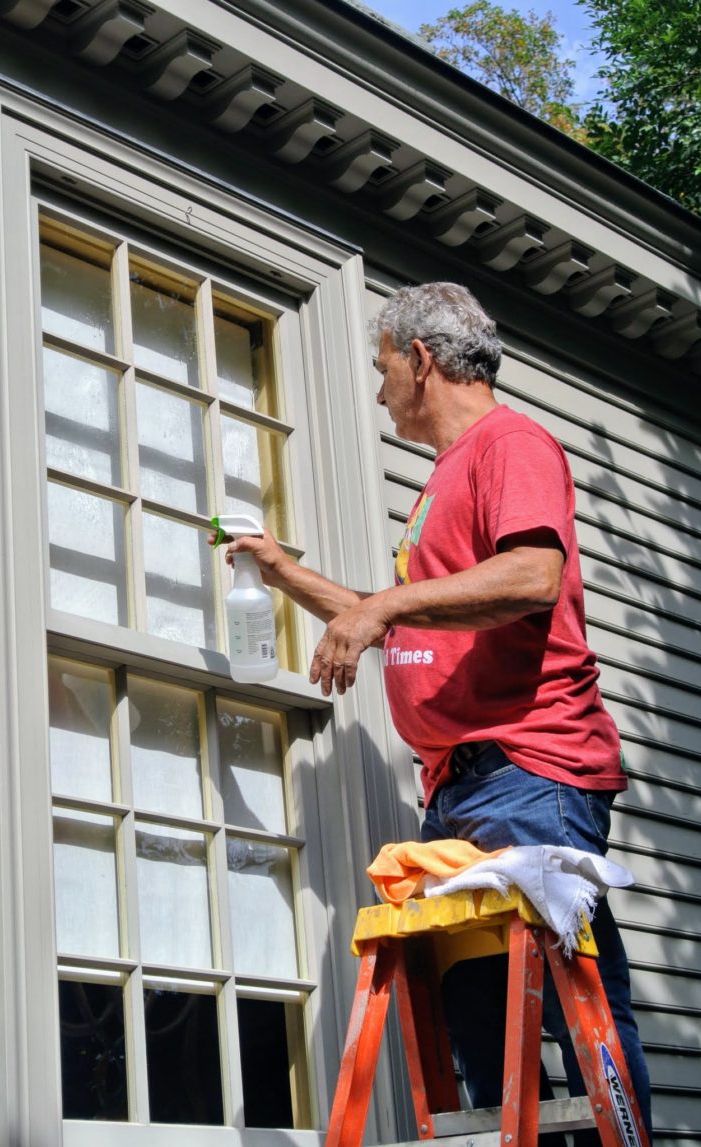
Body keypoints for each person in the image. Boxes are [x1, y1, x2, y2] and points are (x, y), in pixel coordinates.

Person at [213, 282, 651, 1142]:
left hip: (530, 772)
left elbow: (534, 577)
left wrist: (384, 607)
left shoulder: (509, 444)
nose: (379, 391)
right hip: (460, 792)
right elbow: (398, 615)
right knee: (487, 1040)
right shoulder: (447, 479)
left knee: (577, 1021)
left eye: (382, 367)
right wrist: (281, 570)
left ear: (420, 360)